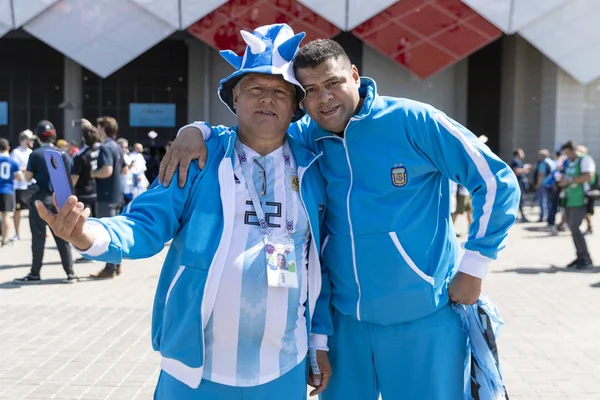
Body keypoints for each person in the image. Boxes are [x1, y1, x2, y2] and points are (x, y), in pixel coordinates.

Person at [160, 37, 520, 399]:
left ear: (354, 75)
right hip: (345, 326)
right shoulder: (306, 136)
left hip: (424, 314)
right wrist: (195, 131)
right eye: (312, 90)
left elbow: (497, 181)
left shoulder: (414, 121)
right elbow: (250, 131)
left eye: (333, 83)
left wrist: (474, 266)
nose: (324, 98)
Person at [34, 24, 332, 399]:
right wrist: (85, 234)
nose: (267, 99)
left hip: (283, 368)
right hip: (195, 370)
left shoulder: (313, 169)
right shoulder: (199, 159)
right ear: (234, 99)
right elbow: (144, 225)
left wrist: (318, 340)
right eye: (255, 89)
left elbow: (317, 263)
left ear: (295, 106)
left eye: (279, 92)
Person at [14, 120, 77, 283]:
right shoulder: (62, 153)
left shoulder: (35, 154)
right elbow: (70, 175)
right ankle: (70, 272)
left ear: (38, 136)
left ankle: (35, 273)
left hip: (40, 199)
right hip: (60, 200)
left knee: (38, 236)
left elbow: (27, 178)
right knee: (62, 236)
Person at [89, 116, 126, 278]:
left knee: (107, 232)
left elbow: (107, 171)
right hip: (117, 194)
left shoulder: (105, 148)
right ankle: (116, 265)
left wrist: (91, 173)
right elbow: (124, 169)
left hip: (106, 195)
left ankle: (109, 268)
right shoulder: (117, 147)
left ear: (103, 129)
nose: (96, 131)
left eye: (98, 127)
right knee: (116, 231)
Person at [558, 141, 596, 269]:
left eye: (568, 153)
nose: (567, 155)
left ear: (574, 150)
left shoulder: (585, 160)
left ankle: (585, 258)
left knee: (575, 227)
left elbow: (589, 176)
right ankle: (580, 256)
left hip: (580, 199)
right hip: (569, 199)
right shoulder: (570, 162)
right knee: (572, 228)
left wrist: (570, 180)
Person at [71, 123, 101, 217]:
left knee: (85, 221)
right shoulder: (100, 151)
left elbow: (75, 176)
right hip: (97, 190)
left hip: (83, 193)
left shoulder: (81, 156)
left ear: (83, 138)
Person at [10, 129, 34, 240]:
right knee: (18, 211)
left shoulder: (30, 152)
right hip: (19, 186)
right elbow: (14, 168)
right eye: (30, 139)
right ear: (25, 140)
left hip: (30, 185)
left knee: (34, 210)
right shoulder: (16, 152)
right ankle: (17, 233)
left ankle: (36, 231)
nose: (32, 141)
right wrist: (26, 169)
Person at [0, 138, 24, 246]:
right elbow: (20, 177)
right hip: (7, 190)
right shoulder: (12, 162)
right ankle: (4, 239)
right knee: (6, 216)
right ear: (8, 147)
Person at [534, 149, 555, 222]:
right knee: (549, 201)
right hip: (551, 184)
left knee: (542, 200)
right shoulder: (551, 162)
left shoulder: (543, 163)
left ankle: (542, 216)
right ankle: (549, 216)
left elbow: (541, 175)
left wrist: (538, 184)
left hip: (543, 184)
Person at [510, 148, 530, 222]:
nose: (523, 154)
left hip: (519, 182)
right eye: (521, 153)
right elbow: (516, 171)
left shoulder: (518, 161)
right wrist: (525, 170)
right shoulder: (515, 161)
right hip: (518, 182)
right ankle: (520, 216)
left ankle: (520, 216)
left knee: (520, 199)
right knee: (519, 199)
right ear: (517, 154)